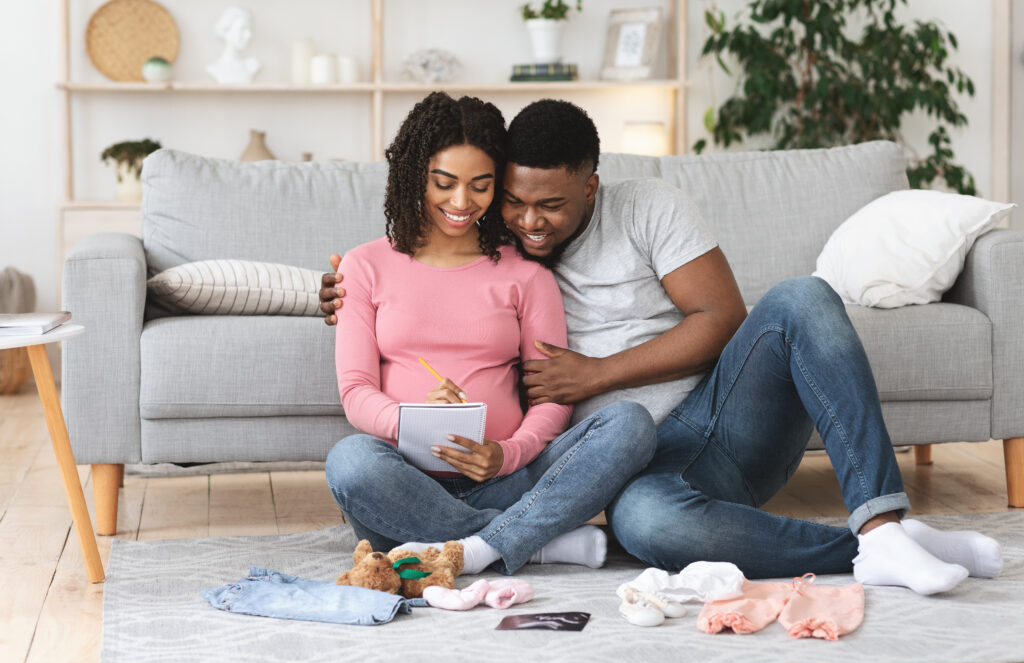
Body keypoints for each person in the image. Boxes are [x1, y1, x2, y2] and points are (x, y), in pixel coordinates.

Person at [323, 99, 1003, 595]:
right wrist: (337, 291)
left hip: (720, 417)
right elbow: (420, 270)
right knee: (644, 526)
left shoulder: (642, 209)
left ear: (590, 185)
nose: (531, 221)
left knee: (801, 297)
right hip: (645, 470)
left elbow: (723, 316)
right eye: (514, 201)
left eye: (552, 205)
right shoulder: (503, 247)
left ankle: (882, 520)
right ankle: (872, 549)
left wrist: (594, 375)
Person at [325, 92, 656, 577]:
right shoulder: (364, 266)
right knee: (350, 462)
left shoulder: (527, 274)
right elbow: (355, 393)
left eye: (480, 186)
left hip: (511, 478)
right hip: (406, 483)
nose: (461, 203)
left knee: (630, 424)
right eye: (444, 183)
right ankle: (529, 541)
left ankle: (468, 543)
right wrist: (412, 419)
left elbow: (553, 399)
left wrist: (506, 454)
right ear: (416, 174)